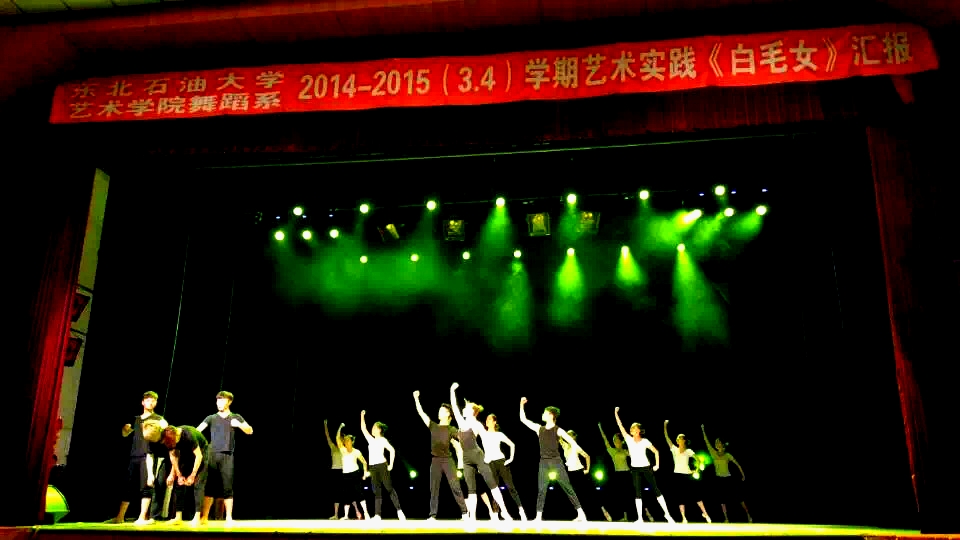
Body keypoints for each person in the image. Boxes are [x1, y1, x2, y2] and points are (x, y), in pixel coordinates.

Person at [518, 397, 587, 522]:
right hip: (544, 462)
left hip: (556, 462)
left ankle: (581, 514)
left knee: (567, 487)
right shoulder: (539, 428)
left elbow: (572, 442)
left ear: (551, 415)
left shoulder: (558, 430)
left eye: (544, 413)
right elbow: (523, 419)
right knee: (541, 489)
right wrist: (521, 404)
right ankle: (538, 516)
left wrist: (576, 456)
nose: (542, 414)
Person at [196, 391, 253, 524]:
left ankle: (228, 517)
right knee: (210, 486)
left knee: (227, 486)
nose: (219, 403)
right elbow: (197, 431)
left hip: (227, 456)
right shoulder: (211, 418)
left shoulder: (235, 417)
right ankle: (204, 516)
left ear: (229, 402)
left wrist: (239, 425)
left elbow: (250, 430)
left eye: (222, 400)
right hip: (212, 455)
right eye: (218, 400)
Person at [114, 391, 168, 525]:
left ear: (156, 403)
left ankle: (142, 517)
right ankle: (120, 517)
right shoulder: (136, 419)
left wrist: (162, 428)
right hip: (134, 456)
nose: (150, 402)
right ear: (143, 402)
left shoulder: (158, 418)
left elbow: (166, 429)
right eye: (148, 400)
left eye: (153, 400)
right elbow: (125, 434)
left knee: (146, 486)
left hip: (148, 455)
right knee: (128, 486)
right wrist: (125, 429)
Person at [413, 391, 469, 520]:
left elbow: (464, 439)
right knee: (434, 488)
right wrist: (416, 399)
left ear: (448, 414)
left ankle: (465, 513)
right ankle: (432, 515)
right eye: (439, 410)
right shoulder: (433, 426)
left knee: (455, 486)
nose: (439, 412)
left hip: (447, 460)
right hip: (435, 461)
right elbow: (421, 412)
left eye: (442, 410)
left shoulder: (451, 429)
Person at [614, 407, 675, 523]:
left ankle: (667, 514)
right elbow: (620, 425)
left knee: (656, 490)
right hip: (635, 469)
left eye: (633, 427)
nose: (631, 429)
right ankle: (640, 518)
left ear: (638, 431)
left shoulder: (645, 441)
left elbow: (656, 452)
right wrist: (616, 413)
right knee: (637, 493)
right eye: (631, 428)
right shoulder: (628, 439)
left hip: (646, 467)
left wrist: (657, 465)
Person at [151, 423, 208, 526]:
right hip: (186, 453)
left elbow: (199, 456)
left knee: (198, 483)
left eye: (172, 443)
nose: (171, 445)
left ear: (176, 437)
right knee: (179, 483)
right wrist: (178, 474)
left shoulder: (188, 436)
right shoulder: (168, 438)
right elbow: (173, 456)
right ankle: (178, 517)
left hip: (201, 452)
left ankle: (197, 517)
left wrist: (192, 475)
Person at [480, 414, 528, 521]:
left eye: (489, 419)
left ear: (494, 422)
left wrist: (510, 459)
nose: (487, 421)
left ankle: (521, 511)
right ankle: (496, 513)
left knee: (511, 487)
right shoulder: (483, 433)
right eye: (486, 419)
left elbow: (512, 444)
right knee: (494, 489)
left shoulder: (499, 434)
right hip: (490, 463)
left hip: (501, 462)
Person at [360, 410, 406, 520]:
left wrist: (391, 464)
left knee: (389, 488)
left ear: (379, 430)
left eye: (375, 427)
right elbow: (363, 428)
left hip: (382, 465)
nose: (372, 429)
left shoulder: (383, 440)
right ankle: (377, 515)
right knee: (376, 491)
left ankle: (399, 511)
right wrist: (362, 416)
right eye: (372, 427)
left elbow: (392, 450)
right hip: (373, 467)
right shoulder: (370, 440)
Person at [701, 424, 751, 523]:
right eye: (716, 442)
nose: (717, 443)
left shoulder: (727, 455)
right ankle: (726, 518)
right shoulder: (713, 453)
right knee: (722, 500)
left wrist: (743, 475)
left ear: (722, 444)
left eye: (718, 442)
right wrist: (703, 430)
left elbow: (738, 464)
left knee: (739, 498)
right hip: (719, 479)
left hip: (728, 478)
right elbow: (706, 441)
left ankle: (748, 515)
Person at [664, 421, 711, 523]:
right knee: (680, 498)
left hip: (688, 475)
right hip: (677, 476)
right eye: (678, 438)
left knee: (696, 495)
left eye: (681, 438)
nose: (679, 439)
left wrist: (696, 470)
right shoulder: (674, 449)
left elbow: (698, 460)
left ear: (684, 440)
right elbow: (667, 437)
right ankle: (684, 518)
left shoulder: (689, 451)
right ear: (677, 441)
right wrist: (665, 425)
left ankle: (706, 514)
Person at [336, 423, 370, 520]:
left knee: (359, 493)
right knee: (346, 495)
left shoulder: (356, 451)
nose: (346, 442)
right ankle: (346, 515)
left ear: (352, 442)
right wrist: (340, 427)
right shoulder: (343, 450)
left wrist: (365, 473)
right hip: (345, 475)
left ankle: (366, 513)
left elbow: (364, 462)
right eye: (345, 440)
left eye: (348, 440)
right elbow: (337, 438)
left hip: (355, 474)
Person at [599, 423, 631, 521]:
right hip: (618, 475)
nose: (615, 442)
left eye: (617, 440)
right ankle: (622, 516)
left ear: (621, 441)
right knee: (619, 496)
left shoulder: (625, 451)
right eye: (614, 440)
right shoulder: (612, 451)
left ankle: (628, 516)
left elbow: (633, 453)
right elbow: (605, 439)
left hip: (626, 474)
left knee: (627, 495)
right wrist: (600, 427)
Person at [559, 430, 593, 519]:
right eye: (567, 435)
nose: (567, 437)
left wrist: (587, 469)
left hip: (579, 472)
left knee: (584, 494)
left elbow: (587, 456)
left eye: (570, 435)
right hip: (571, 473)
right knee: (574, 495)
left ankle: (598, 511)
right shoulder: (565, 445)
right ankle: (580, 515)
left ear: (574, 437)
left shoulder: (575, 446)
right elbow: (559, 437)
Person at [324, 420, 343, 519]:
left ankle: (349, 513)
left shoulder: (343, 448)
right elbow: (327, 436)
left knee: (345, 492)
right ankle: (336, 514)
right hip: (334, 471)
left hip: (343, 471)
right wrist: (325, 425)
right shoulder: (333, 447)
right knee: (335, 493)